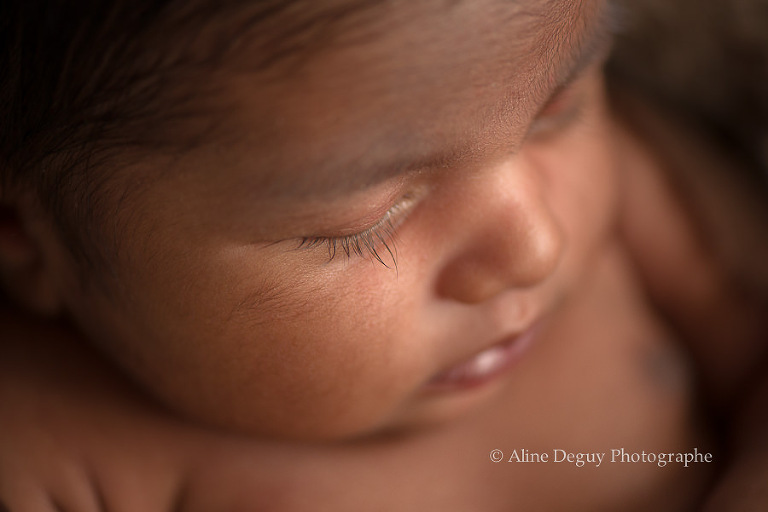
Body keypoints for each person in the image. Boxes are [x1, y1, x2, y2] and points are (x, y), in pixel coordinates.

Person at [0, 0, 765, 510]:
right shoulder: (48, 431)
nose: (536, 246)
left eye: (558, 112)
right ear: (26, 237)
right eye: (362, 224)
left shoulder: (631, 177)